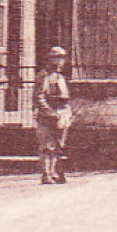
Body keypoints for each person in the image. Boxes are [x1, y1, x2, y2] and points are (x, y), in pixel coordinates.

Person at [35, 46, 74, 184]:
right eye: (58, 58)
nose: (61, 61)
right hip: (50, 114)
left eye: (62, 58)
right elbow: (39, 96)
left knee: (58, 146)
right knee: (47, 146)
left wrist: (67, 112)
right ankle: (46, 174)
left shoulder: (61, 76)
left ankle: (55, 173)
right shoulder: (44, 75)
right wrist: (48, 111)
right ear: (51, 59)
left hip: (62, 113)